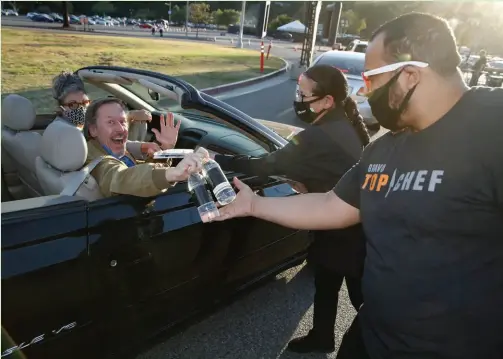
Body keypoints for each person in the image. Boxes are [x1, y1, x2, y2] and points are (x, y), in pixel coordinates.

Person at [212, 12, 503, 359]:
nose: (365, 91)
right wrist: (255, 205)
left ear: (409, 75)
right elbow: (331, 205)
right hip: (372, 338)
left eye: (371, 78)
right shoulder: (385, 147)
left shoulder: (492, 126)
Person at [212, 65, 369, 354]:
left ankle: (367, 343)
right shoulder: (345, 125)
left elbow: (266, 165)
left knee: (358, 296)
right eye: (298, 91)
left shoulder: (316, 136)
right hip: (355, 224)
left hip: (341, 228)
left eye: (304, 94)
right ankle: (323, 336)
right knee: (332, 283)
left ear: (326, 101)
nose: (297, 99)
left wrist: (217, 158)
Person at [85, 97, 208, 197]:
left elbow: (137, 171)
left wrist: (165, 150)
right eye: (110, 122)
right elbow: (121, 177)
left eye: (123, 121)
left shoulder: (112, 149)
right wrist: (173, 173)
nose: (121, 129)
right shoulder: (95, 161)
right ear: (93, 130)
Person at [51, 71, 179, 158]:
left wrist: (144, 146)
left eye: (85, 103)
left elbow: (105, 143)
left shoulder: (71, 126)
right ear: (60, 108)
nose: (82, 108)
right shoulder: (71, 137)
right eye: (73, 105)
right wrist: (166, 151)